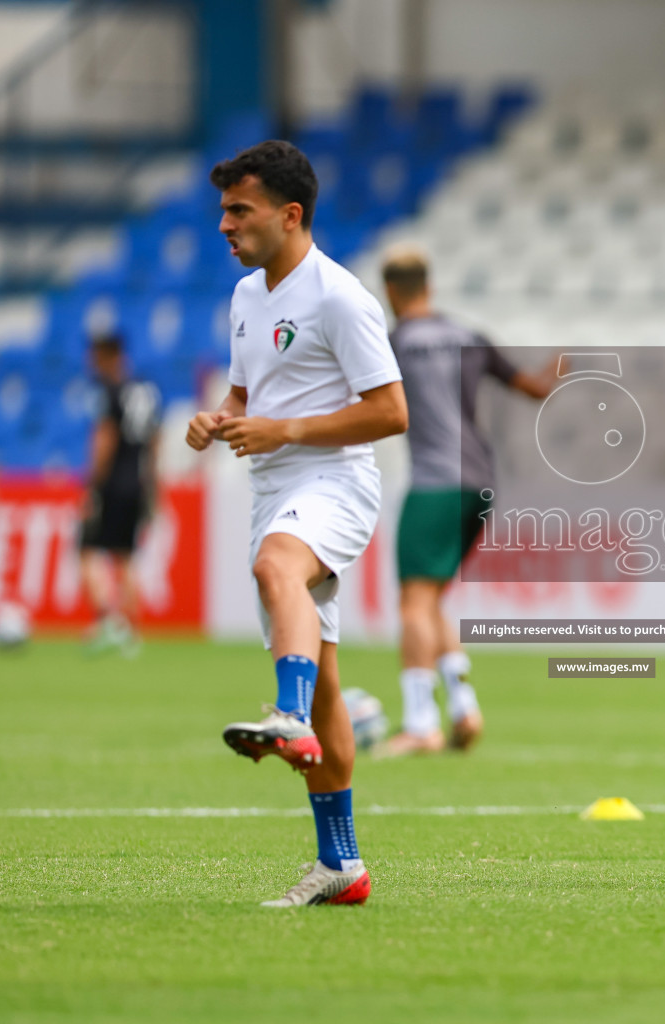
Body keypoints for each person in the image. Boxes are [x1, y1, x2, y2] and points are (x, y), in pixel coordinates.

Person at [185, 140, 407, 908]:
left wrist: (285, 431)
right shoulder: (248, 297)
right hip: (273, 485)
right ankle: (341, 865)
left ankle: (284, 711)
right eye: (222, 210)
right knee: (329, 691)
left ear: (289, 214)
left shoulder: (341, 297)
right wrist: (224, 420)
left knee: (276, 567)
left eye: (237, 210)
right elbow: (252, 398)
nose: (224, 224)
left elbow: (390, 411)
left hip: (335, 481)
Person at [377, 245, 552, 757]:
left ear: (390, 291)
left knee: (412, 599)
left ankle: (418, 723)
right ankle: (462, 707)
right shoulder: (469, 337)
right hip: (479, 482)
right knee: (430, 598)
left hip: (433, 480)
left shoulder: (392, 344)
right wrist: (558, 366)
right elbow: (534, 389)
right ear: (428, 285)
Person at [80, 333, 162, 656]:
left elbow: (105, 440)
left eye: (96, 357)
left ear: (109, 356)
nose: (92, 365)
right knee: (126, 557)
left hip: (112, 484)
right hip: (137, 483)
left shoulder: (109, 393)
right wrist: (153, 486)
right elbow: (155, 442)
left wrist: (92, 486)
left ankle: (108, 621)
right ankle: (131, 630)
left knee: (87, 550)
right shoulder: (146, 392)